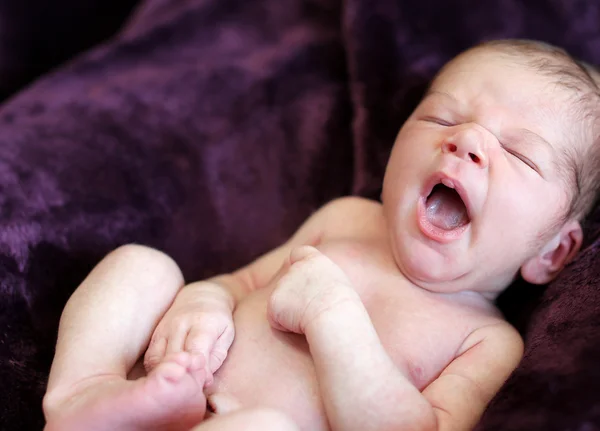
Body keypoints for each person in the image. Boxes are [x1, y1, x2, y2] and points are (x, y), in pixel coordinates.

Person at [42, 39, 600, 431]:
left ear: (554, 252)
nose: (468, 139)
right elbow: (239, 283)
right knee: (142, 266)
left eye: (521, 154)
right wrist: (204, 303)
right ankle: (82, 396)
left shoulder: (485, 342)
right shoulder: (348, 220)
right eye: (441, 118)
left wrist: (333, 316)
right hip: (160, 385)